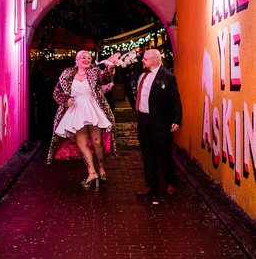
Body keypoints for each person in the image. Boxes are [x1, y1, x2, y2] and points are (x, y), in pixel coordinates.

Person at [47, 50, 119, 189]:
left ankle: (101, 167)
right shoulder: (67, 74)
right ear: (77, 60)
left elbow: (105, 78)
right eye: (83, 57)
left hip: (93, 110)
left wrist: (109, 69)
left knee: (97, 142)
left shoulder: (95, 72)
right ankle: (92, 172)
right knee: (81, 143)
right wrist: (65, 100)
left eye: (89, 57)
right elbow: (57, 93)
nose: (87, 59)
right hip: (76, 111)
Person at [128, 48, 182, 196]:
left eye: (145, 59)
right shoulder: (141, 72)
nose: (142, 61)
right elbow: (132, 83)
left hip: (159, 121)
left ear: (154, 61)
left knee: (164, 153)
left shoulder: (167, 76)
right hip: (143, 119)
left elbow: (175, 100)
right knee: (147, 153)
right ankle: (151, 185)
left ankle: (171, 182)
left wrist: (177, 119)